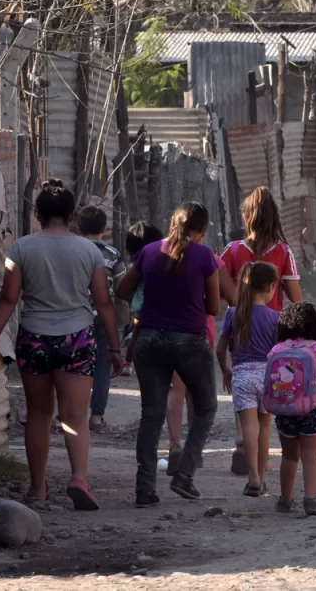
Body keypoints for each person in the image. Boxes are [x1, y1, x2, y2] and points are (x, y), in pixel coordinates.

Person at [0, 180, 123, 511]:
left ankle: (37, 488)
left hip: (35, 338)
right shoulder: (89, 251)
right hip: (77, 338)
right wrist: (114, 348)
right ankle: (78, 478)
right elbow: (103, 302)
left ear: (37, 214)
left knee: (39, 415)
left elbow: (8, 299)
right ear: (72, 215)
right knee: (76, 416)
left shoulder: (22, 248)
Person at [117, 202, 220, 507]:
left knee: (151, 415)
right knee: (205, 407)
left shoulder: (148, 252)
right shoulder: (205, 256)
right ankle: (184, 475)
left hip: (148, 339)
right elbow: (214, 308)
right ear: (202, 230)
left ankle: (145, 489)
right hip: (189, 341)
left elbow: (122, 290)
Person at [221, 186, 303, 474]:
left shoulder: (232, 250)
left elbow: (219, 286)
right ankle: (263, 461)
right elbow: (296, 299)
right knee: (269, 403)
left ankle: (243, 441)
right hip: (273, 336)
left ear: (246, 218)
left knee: (242, 384)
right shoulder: (283, 252)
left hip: (240, 331)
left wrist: (237, 305)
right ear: (275, 219)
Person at [267, 303, 316, 516]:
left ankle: (285, 499)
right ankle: (310, 499)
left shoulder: (278, 349)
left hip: (284, 410)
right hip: (311, 410)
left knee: (289, 456)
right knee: (311, 457)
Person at [217, 262, 281, 497]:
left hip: (242, 376)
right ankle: (262, 477)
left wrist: (226, 370)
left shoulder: (234, 313)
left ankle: (253, 477)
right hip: (268, 376)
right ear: (271, 287)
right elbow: (280, 352)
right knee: (264, 428)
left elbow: (220, 348)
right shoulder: (276, 317)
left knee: (248, 429)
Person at [76, 206, 128, 433]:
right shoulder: (112, 255)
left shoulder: (72, 250)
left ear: (79, 227)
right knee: (102, 368)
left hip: (76, 319)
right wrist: (123, 325)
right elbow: (122, 291)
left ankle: (69, 415)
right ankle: (96, 418)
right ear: (103, 229)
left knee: (75, 368)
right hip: (105, 319)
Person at [123, 222, 164, 372]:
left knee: (136, 333)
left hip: (138, 306)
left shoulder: (133, 264)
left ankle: (127, 363)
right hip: (154, 305)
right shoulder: (154, 261)